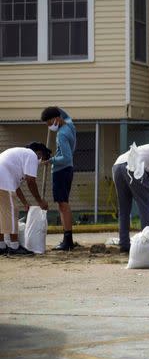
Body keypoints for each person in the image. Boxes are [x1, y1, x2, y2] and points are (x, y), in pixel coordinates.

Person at [112, 143, 149, 254]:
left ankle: (124, 244)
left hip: (118, 165)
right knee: (145, 206)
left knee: (124, 209)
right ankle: (148, 242)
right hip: (135, 166)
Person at [0, 143, 50, 256]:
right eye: (42, 157)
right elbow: (31, 181)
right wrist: (40, 201)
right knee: (12, 211)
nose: (40, 161)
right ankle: (14, 246)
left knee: (2, 213)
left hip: (2, 177)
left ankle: (1, 245)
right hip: (2, 178)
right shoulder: (31, 155)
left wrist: (25, 203)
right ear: (39, 153)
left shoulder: (19, 158)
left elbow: (16, 187)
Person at [40, 106, 77, 251]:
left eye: (49, 123)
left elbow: (66, 158)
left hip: (62, 171)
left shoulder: (62, 134)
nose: (49, 127)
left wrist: (50, 161)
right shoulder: (70, 125)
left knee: (62, 205)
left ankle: (67, 241)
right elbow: (65, 114)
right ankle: (68, 239)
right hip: (67, 171)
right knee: (63, 204)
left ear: (56, 119)